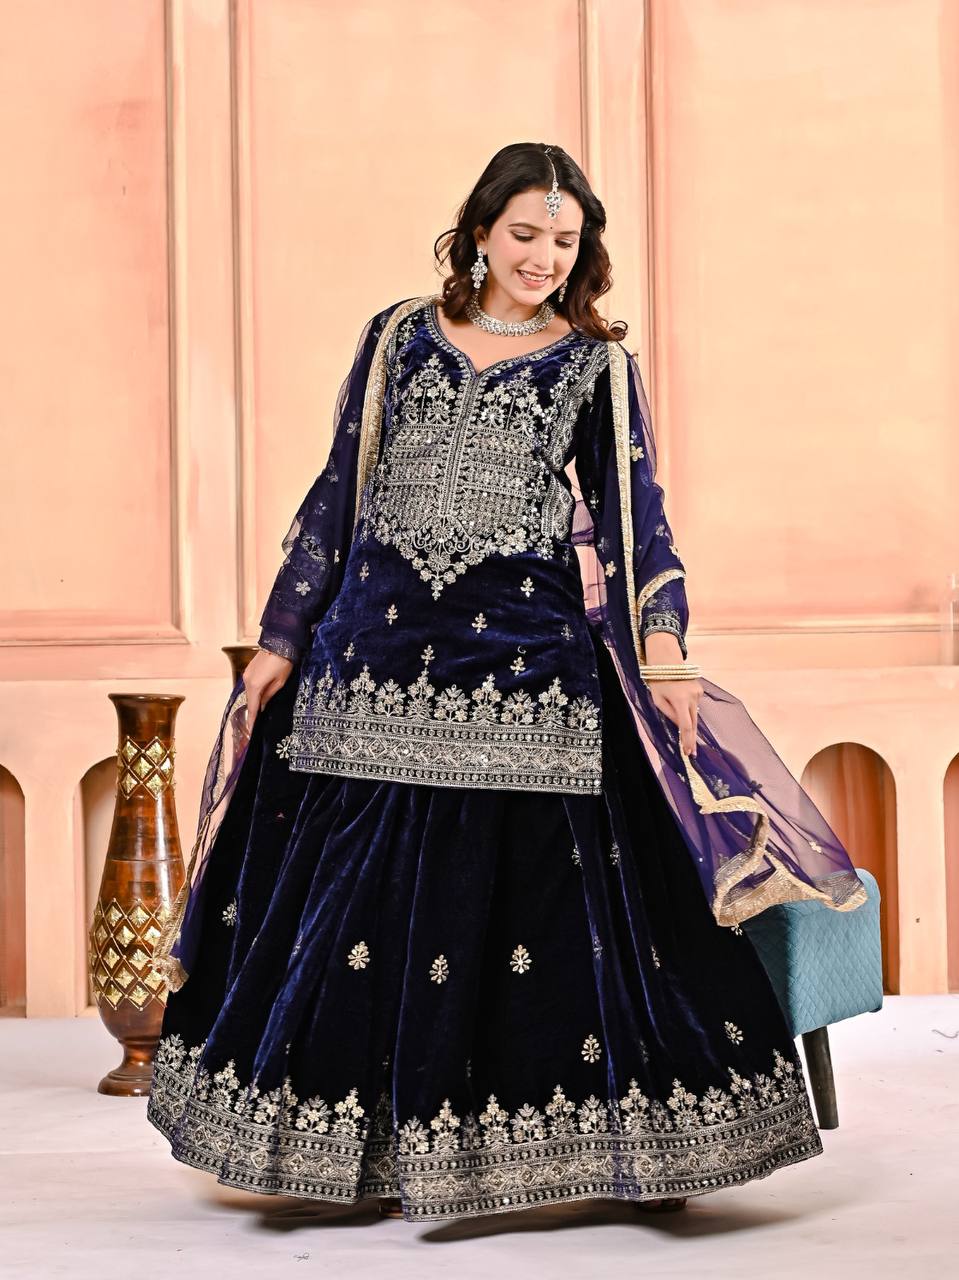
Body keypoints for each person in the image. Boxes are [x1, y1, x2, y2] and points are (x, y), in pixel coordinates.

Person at [147, 143, 866, 1224]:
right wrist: (281, 634)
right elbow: (338, 490)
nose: (542, 257)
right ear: (479, 231)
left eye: (563, 240)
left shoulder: (593, 366)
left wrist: (664, 651)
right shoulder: (397, 337)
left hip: (527, 665)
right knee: (344, 908)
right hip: (371, 658)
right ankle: (335, 1151)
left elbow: (636, 521)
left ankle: (590, 1152)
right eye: (524, 233)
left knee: (548, 908)